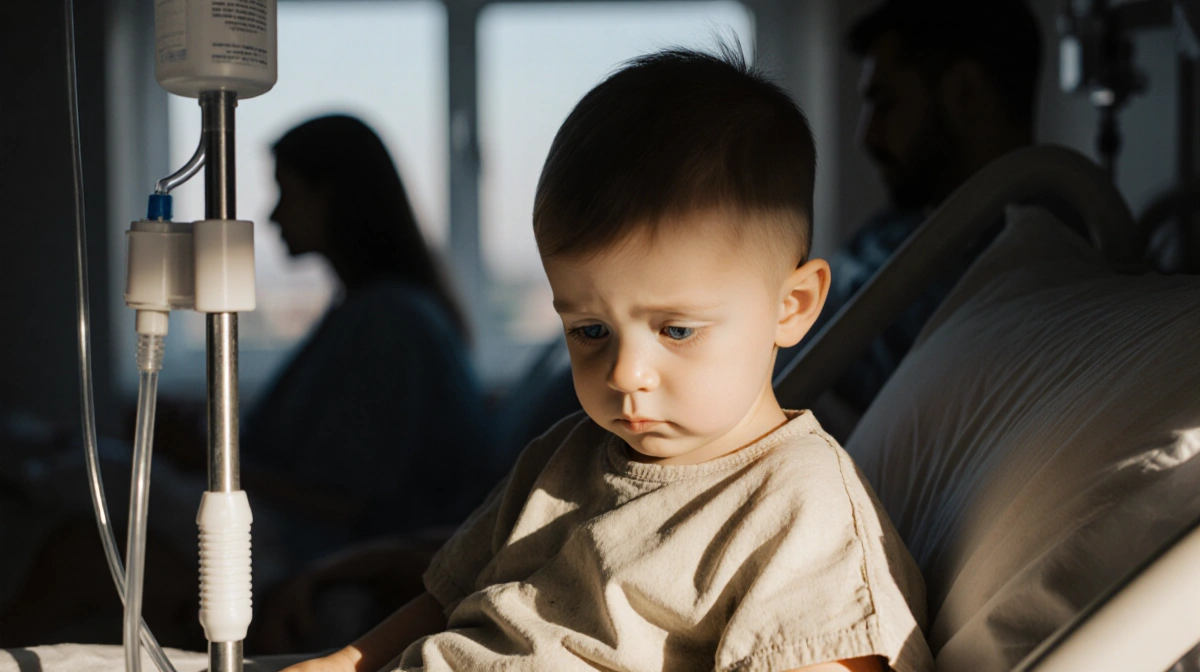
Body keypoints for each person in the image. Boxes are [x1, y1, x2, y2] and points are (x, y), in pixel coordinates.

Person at [283, 47, 931, 672]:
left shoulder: (799, 508)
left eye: (676, 329)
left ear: (792, 307)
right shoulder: (562, 456)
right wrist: (344, 662)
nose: (623, 374)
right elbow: (447, 598)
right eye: (590, 330)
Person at [244, 115, 494, 578]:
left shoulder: (390, 322)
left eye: (286, 192)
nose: (272, 216)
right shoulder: (365, 311)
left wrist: (213, 466)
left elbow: (346, 501)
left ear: (330, 196)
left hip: (344, 559)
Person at [775, 0, 1044, 414]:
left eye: (885, 103)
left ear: (964, 93)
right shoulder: (900, 225)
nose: (866, 136)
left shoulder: (1028, 259)